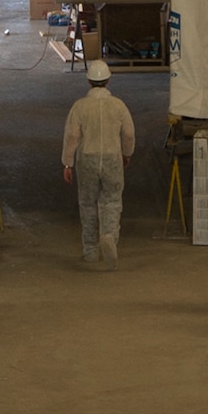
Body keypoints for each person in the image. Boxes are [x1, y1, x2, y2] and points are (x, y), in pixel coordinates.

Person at [62, 59, 135, 267]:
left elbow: (72, 136)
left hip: (87, 160)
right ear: (108, 80)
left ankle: (91, 250)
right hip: (112, 158)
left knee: (87, 204)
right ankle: (110, 236)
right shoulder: (118, 105)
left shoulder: (80, 107)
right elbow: (128, 133)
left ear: (88, 81)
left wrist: (67, 163)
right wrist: (127, 153)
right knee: (111, 201)